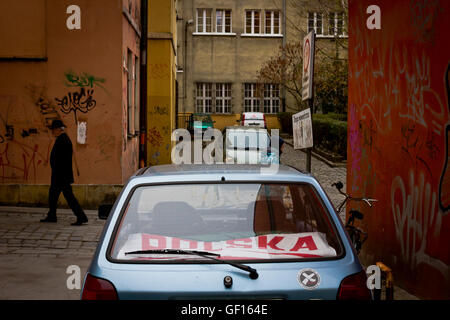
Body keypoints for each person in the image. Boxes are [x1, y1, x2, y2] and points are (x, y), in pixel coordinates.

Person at [40, 119, 88, 226]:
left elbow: (62, 159)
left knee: (69, 197)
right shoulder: (62, 139)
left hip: (61, 175)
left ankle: (81, 217)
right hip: (59, 175)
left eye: (53, 130)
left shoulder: (63, 140)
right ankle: (52, 215)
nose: (52, 132)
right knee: (53, 195)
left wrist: (58, 172)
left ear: (58, 129)